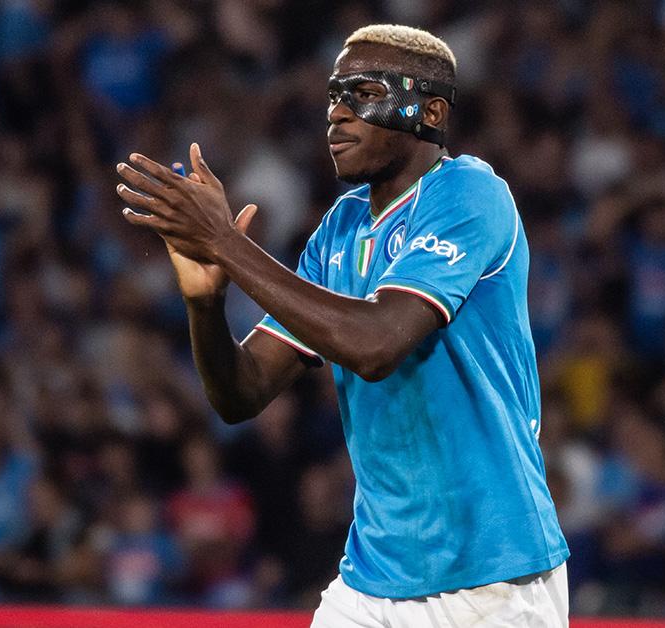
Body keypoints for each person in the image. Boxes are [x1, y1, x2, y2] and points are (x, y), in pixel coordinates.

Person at [115, 23, 569, 627]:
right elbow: (240, 393)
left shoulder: (470, 194)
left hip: (492, 578)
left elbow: (376, 344)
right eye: (333, 93)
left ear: (430, 110)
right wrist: (205, 301)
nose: (336, 112)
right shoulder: (340, 228)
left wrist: (226, 242)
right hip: (373, 576)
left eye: (363, 91)